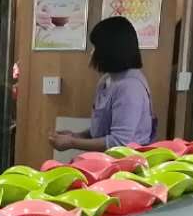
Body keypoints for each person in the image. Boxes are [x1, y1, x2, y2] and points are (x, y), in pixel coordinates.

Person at [48, 15, 155, 153]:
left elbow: (119, 142)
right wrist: (76, 136)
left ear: (110, 49)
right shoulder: (106, 80)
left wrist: (72, 142)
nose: (92, 52)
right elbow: (101, 129)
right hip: (104, 159)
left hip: (125, 162)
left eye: (96, 47)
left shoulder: (130, 88)